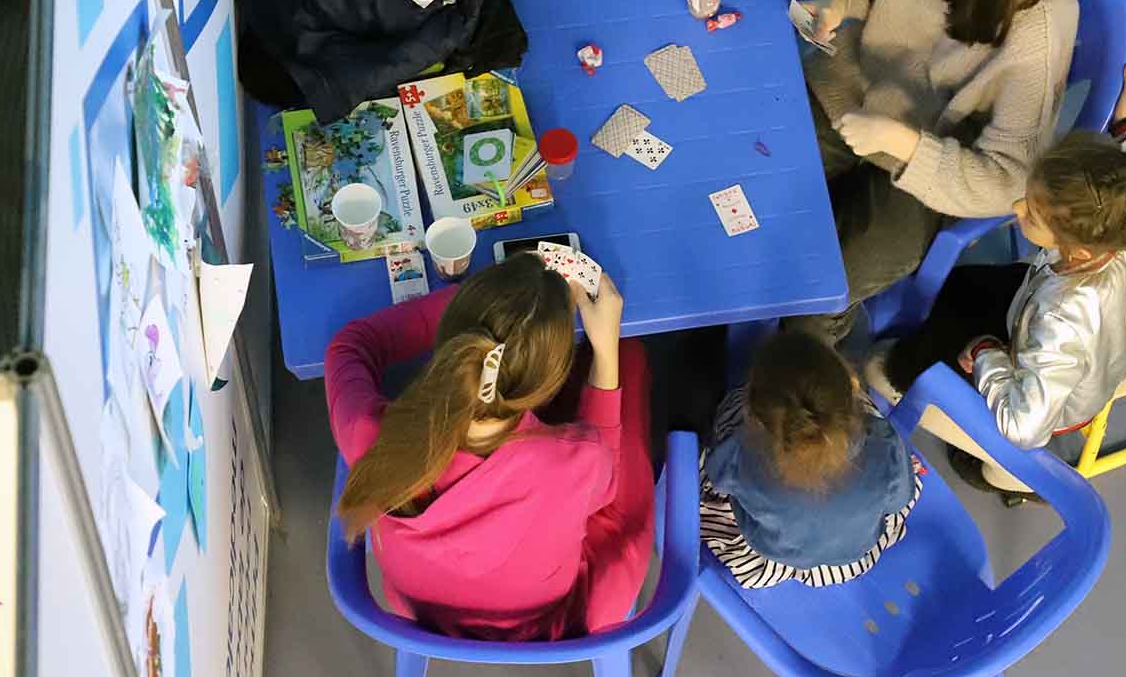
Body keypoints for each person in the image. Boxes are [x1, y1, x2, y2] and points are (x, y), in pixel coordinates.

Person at [868, 64, 1126, 492]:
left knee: (883, 368)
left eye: (1031, 213)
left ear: (1076, 248)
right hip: (1079, 325)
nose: (1016, 207)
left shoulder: (1063, 319)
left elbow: (1024, 427)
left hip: (1055, 393)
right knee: (955, 291)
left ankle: (1005, 479)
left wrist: (990, 355)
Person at [796, 0, 1080, 345]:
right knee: (751, 186)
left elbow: (1010, 178)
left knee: (823, 291)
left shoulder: (1038, 26)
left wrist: (904, 143)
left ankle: (798, 356)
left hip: (937, 159)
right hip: (851, 87)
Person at [325, 253, 654, 640]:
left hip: (422, 610)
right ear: (548, 384)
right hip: (551, 620)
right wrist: (605, 351)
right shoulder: (575, 459)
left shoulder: (369, 435)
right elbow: (604, 489)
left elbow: (348, 345)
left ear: (450, 342)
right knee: (631, 359)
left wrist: (479, 307)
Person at [700, 329, 922, 588]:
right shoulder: (883, 442)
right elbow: (899, 501)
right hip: (854, 553)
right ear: (851, 385)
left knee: (719, 445)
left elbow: (716, 477)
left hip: (778, 555)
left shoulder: (738, 452)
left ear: (755, 413)